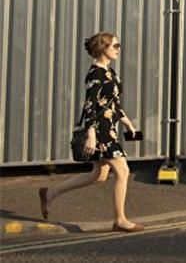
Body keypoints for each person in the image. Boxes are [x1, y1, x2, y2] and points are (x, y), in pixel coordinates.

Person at [39, 32, 144, 232]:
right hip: (100, 130)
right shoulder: (95, 74)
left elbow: (112, 103)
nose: (118, 49)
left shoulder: (110, 73)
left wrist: (127, 123)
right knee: (123, 171)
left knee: (99, 175)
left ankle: (50, 193)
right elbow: (90, 105)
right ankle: (120, 219)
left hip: (109, 128)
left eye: (118, 45)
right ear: (103, 48)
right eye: (115, 45)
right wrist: (91, 134)